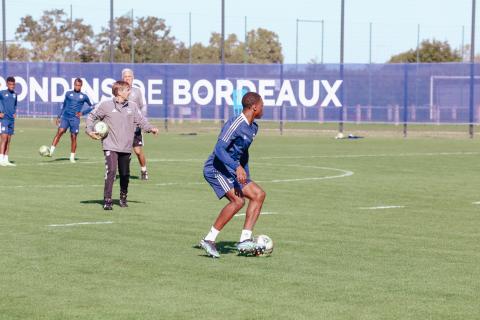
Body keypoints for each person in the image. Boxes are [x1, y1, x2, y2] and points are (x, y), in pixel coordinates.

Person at [200, 92, 267, 258]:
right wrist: (237, 167)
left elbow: (243, 153)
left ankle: (245, 240)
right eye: (262, 105)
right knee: (238, 201)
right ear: (255, 107)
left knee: (258, 194)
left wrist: (245, 175)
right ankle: (209, 239)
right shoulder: (235, 123)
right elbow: (219, 149)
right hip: (216, 169)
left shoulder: (253, 127)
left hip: (232, 170)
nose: (263, 108)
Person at [85, 80, 159, 210]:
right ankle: (107, 200)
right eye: (127, 90)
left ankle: (123, 197)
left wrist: (150, 128)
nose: (129, 92)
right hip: (110, 145)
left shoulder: (133, 106)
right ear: (119, 92)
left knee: (125, 174)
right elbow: (91, 117)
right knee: (111, 171)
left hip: (126, 146)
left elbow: (141, 121)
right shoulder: (106, 105)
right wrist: (90, 131)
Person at [48, 78, 94, 163]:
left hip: (75, 119)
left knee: (73, 137)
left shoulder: (84, 96)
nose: (77, 86)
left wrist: (82, 113)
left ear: (81, 86)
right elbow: (64, 105)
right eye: (76, 85)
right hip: (65, 117)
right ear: (74, 84)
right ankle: (50, 152)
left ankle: (72, 157)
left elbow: (92, 106)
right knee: (60, 132)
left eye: (79, 85)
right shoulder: (68, 94)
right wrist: (59, 116)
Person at [122, 68, 150, 180]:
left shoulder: (137, 91)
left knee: (138, 151)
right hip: (123, 127)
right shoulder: (119, 90)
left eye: (129, 76)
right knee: (121, 151)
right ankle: (118, 172)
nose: (127, 78)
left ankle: (144, 170)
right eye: (125, 77)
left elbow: (143, 106)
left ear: (133, 78)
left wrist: (141, 118)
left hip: (135, 127)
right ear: (122, 78)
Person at [0, 76, 18, 167]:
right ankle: (1, 159)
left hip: (11, 119)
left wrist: (14, 112)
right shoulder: (2, 93)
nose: (12, 86)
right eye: (10, 84)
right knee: (4, 138)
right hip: (4, 119)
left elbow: (15, 105)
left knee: (9, 140)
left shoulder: (15, 94)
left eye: (13, 84)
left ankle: (6, 159)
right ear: (7, 84)